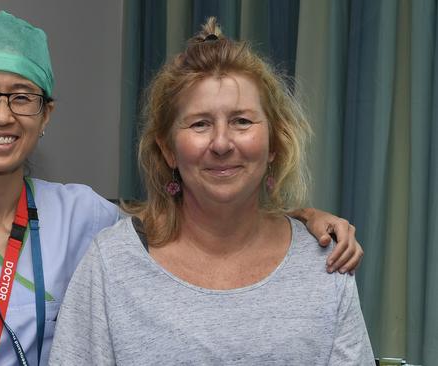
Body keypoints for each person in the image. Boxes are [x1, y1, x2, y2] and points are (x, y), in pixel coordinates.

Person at [0, 11, 363, 366]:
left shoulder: (83, 215)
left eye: (22, 97)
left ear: (46, 116)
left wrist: (301, 218)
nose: (2, 113)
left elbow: (197, 209)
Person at [49, 18, 374, 365]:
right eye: (200, 124)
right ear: (168, 149)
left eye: (242, 121)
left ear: (273, 144)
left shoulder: (324, 264)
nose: (221, 143)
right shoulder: (110, 265)